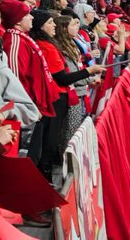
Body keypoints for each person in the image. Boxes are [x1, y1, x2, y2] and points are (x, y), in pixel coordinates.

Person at [30, 10, 102, 177]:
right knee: (54, 139)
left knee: (52, 138)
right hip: (56, 97)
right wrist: (88, 72)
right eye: (49, 22)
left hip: (56, 96)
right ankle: (50, 175)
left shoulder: (48, 44)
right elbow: (62, 78)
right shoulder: (48, 46)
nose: (53, 25)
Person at [0, 0, 59, 165]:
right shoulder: (14, 42)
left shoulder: (22, 38)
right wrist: (29, 107)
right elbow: (15, 81)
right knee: (26, 157)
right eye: (27, 15)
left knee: (34, 154)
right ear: (18, 20)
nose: (31, 17)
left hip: (35, 108)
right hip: (28, 112)